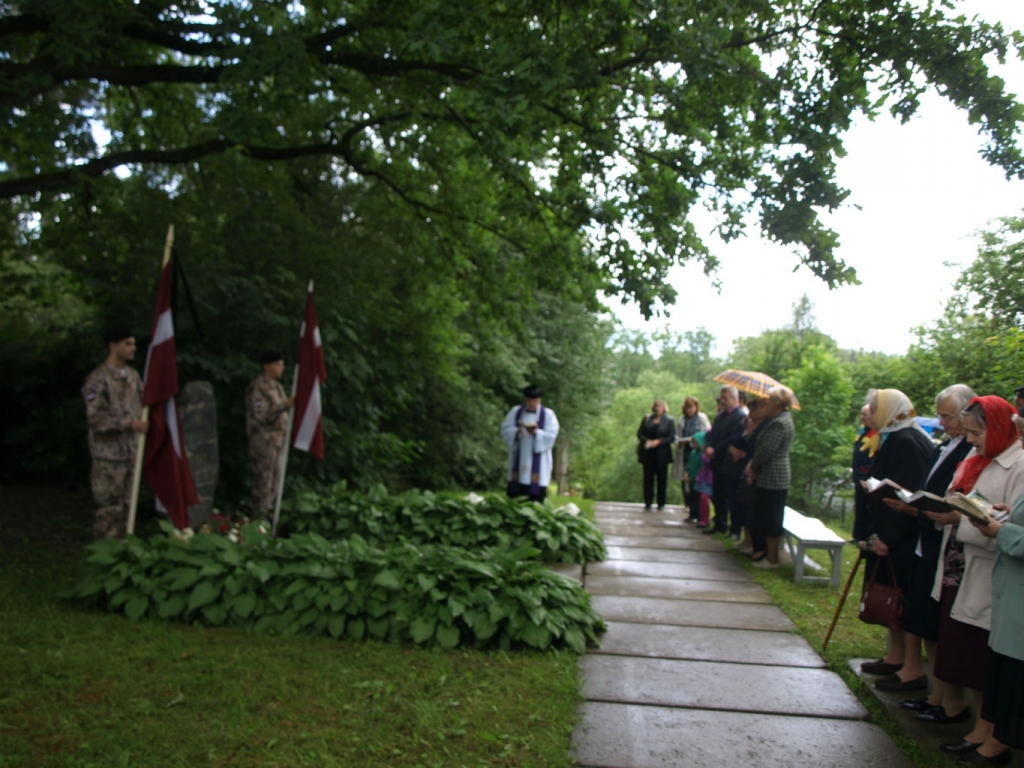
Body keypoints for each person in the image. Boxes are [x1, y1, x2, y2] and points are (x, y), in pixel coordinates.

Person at [925, 396, 1024, 754]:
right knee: (962, 650)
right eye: (966, 432)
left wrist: (968, 518)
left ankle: (990, 732)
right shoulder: (976, 456)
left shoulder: (1018, 463)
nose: (969, 440)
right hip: (960, 563)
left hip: (988, 568)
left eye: (976, 432)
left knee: (982, 657)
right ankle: (978, 727)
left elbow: (1010, 525)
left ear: (998, 428)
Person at [873, 384, 975, 698]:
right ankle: (932, 692)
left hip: (936, 541)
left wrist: (912, 510)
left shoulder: (961, 448)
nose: (941, 423)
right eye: (941, 416)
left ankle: (942, 699)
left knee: (929, 620)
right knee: (919, 615)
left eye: (947, 416)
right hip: (924, 537)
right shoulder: (948, 443)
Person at [959, 405, 1024, 765]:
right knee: (998, 667)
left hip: (1010, 581)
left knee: (1008, 673)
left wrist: (1002, 529)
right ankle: (989, 734)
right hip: (1004, 582)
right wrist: (1008, 514)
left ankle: (997, 743)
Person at [857, 389, 936, 677]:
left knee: (900, 598)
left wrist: (887, 537)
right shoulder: (895, 436)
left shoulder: (906, 441)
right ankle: (895, 654)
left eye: (876, 408)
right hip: (892, 532)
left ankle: (906, 663)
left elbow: (907, 495)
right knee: (894, 596)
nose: (871, 413)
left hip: (902, 536)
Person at [82, 326, 149, 539]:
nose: (133, 348)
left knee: (128, 511)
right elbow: (95, 418)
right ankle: (105, 557)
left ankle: (122, 554)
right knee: (109, 511)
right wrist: (129, 424)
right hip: (108, 458)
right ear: (113, 346)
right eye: (128, 344)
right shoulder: (97, 380)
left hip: (131, 454)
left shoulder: (133, 377)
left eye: (134, 343)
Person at [744, 386, 795, 567]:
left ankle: (772, 559)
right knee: (765, 515)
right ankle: (766, 554)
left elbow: (767, 451)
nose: (768, 404)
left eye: (770, 401)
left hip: (774, 476)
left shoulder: (779, 423)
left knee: (771, 518)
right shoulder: (778, 420)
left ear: (779, 404)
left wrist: (752, 465)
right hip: (769, 475)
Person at [245, 351, 295, 520]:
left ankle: (268, 516)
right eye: (278, 364)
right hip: (264, 442)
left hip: (278, 441)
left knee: (275, 481)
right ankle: (259, 517)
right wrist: (284, 405)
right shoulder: (259, 388)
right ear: (267, 366)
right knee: (264, 481)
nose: (282, 368)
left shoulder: (277, 387)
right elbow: (260, 414)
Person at [501, 385, 560, 502]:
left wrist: (536, 433)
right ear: (525, 399)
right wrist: (516, 431)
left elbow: (552, 434)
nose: (531, 403)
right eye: (529, 400)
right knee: (517, 488)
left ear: (540, 400)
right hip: (520, 453)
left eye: (534, 400)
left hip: (539, 458)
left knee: (536, 489)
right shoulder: (515, 411)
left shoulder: (548, 414)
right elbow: (505, 429)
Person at [704, 385, 746, 535]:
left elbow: (733, 438)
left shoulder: (740, 416)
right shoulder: (720, 416)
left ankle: (735, 529)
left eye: (725, 398)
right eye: (721, 398)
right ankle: (719, 523)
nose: (722, 401)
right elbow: (711, 434)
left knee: (732, 497)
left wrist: (716, 449)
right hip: (716, 461)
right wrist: (708, 446)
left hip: (729, 462)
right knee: (718, 494)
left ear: (734, 399)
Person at [727, 397, 768, 554]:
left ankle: (753, 542)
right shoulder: (743, 423)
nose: (751, 411)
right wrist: (735, 449)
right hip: (737, 467)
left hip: (752, 470)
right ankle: (746, 538)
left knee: (751, 508)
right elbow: (732, 441)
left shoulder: (765, 426)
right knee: (740, 505)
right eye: (750, 407)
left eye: (755, 408)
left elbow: (758, 447)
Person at [672, 397, 711, 521]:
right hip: (686, 452)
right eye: (688, 407)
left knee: (698, 479)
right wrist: (682, 442)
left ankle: (698, 511)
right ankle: (688, 504)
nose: (690, 410)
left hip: (700, 452)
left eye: (692, 407)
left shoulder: (702, 418)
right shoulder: (682, 420)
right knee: (686, 478)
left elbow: (708, 433)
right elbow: (677, 436)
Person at [637, 399, 675, 511]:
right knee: (648, 479)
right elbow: (640, 432)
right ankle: (648, 502)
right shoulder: (647, 419)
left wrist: (658, 442)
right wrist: (646, 441)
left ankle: (661, 503)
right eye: (656, 406)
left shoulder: (669, 420)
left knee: (662, 479)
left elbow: (671, 436)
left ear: (664, 408)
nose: (658, 408)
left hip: (662, 454)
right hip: (648, 453)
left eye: (660, 406)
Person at [852, 400, 879, 543]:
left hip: (866, 478)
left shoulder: (876, 434)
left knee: (866, 509)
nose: (863, 417)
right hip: (858, 476)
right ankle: (857, 535)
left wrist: (864, 476)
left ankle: (864, 536)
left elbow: (872, 458)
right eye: (861, 414)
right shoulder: (864, 431)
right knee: (859, 507)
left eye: (866, 414)